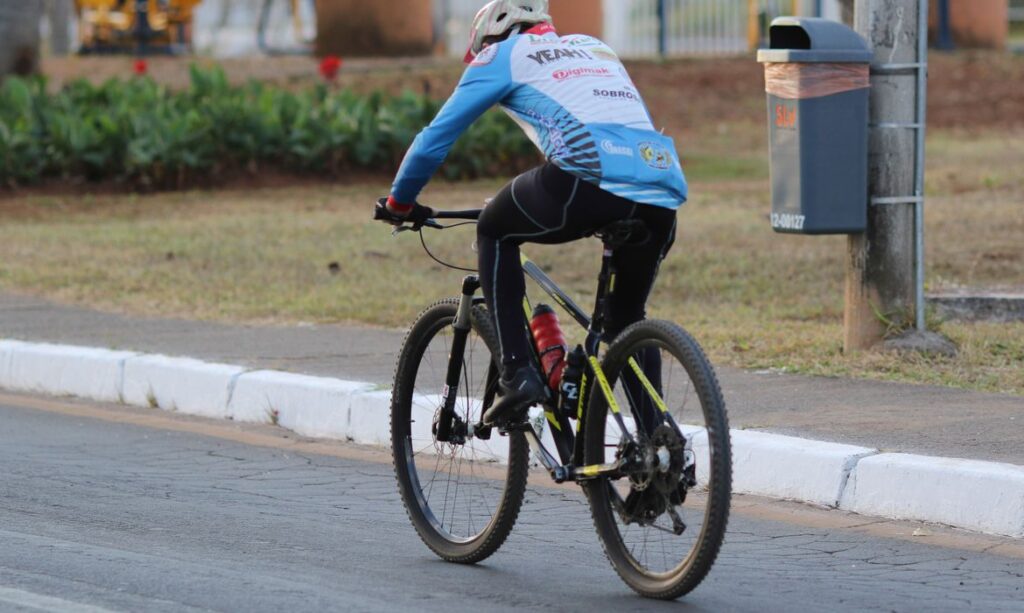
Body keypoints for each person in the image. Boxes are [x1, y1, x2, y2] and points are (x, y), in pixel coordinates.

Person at [380, 0, 687, 426]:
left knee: (494, 230)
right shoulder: (595, 48)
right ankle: (656, 451)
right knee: (626, 320)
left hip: (586, 177)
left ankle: (517, 374)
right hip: (661, 183)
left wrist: (399, 201)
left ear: (492, 34)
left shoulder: (501, 55)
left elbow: (436, 138)